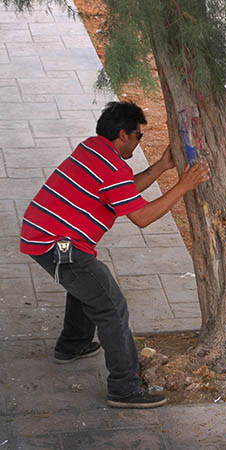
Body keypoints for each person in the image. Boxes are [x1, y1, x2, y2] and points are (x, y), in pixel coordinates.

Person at [19, 101, 210, 408]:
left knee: (86, 282)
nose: (139, 141)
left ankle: (73, 345)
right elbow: (142, 217)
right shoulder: (111, 166)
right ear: (123, 134)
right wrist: (182, 187)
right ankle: (124, 388)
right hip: (57, 244)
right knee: (112, 307)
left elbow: (123, 191)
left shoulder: (92, 149)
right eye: (139, 136)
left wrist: (160, 168)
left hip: (44, 234)